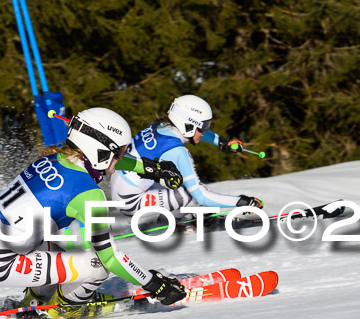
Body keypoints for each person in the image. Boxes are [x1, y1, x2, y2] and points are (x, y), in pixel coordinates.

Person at [0, 107, 187, 319]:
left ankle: (37, 298)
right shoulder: (88, 194)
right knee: (97, 265)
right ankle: (67, 308)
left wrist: (152, 169)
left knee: (61, 246)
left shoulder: (55, 157)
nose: (121, 157)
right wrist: (155, 285)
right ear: (100, 152)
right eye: (119, 152)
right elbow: (110, 258)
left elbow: (106, 162)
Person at [110, 94, 263, 224]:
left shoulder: (160, 127)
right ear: (188, 124)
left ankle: (184, 219)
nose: (204, 132)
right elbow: (202, 196)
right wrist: (241, 202)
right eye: (203, 126)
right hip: (130, 201)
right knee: (191, 194)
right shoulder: (178, 152)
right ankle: (171, 225)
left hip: (124, 187)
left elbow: (196, 133)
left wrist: (222, 142)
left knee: (176, 180)